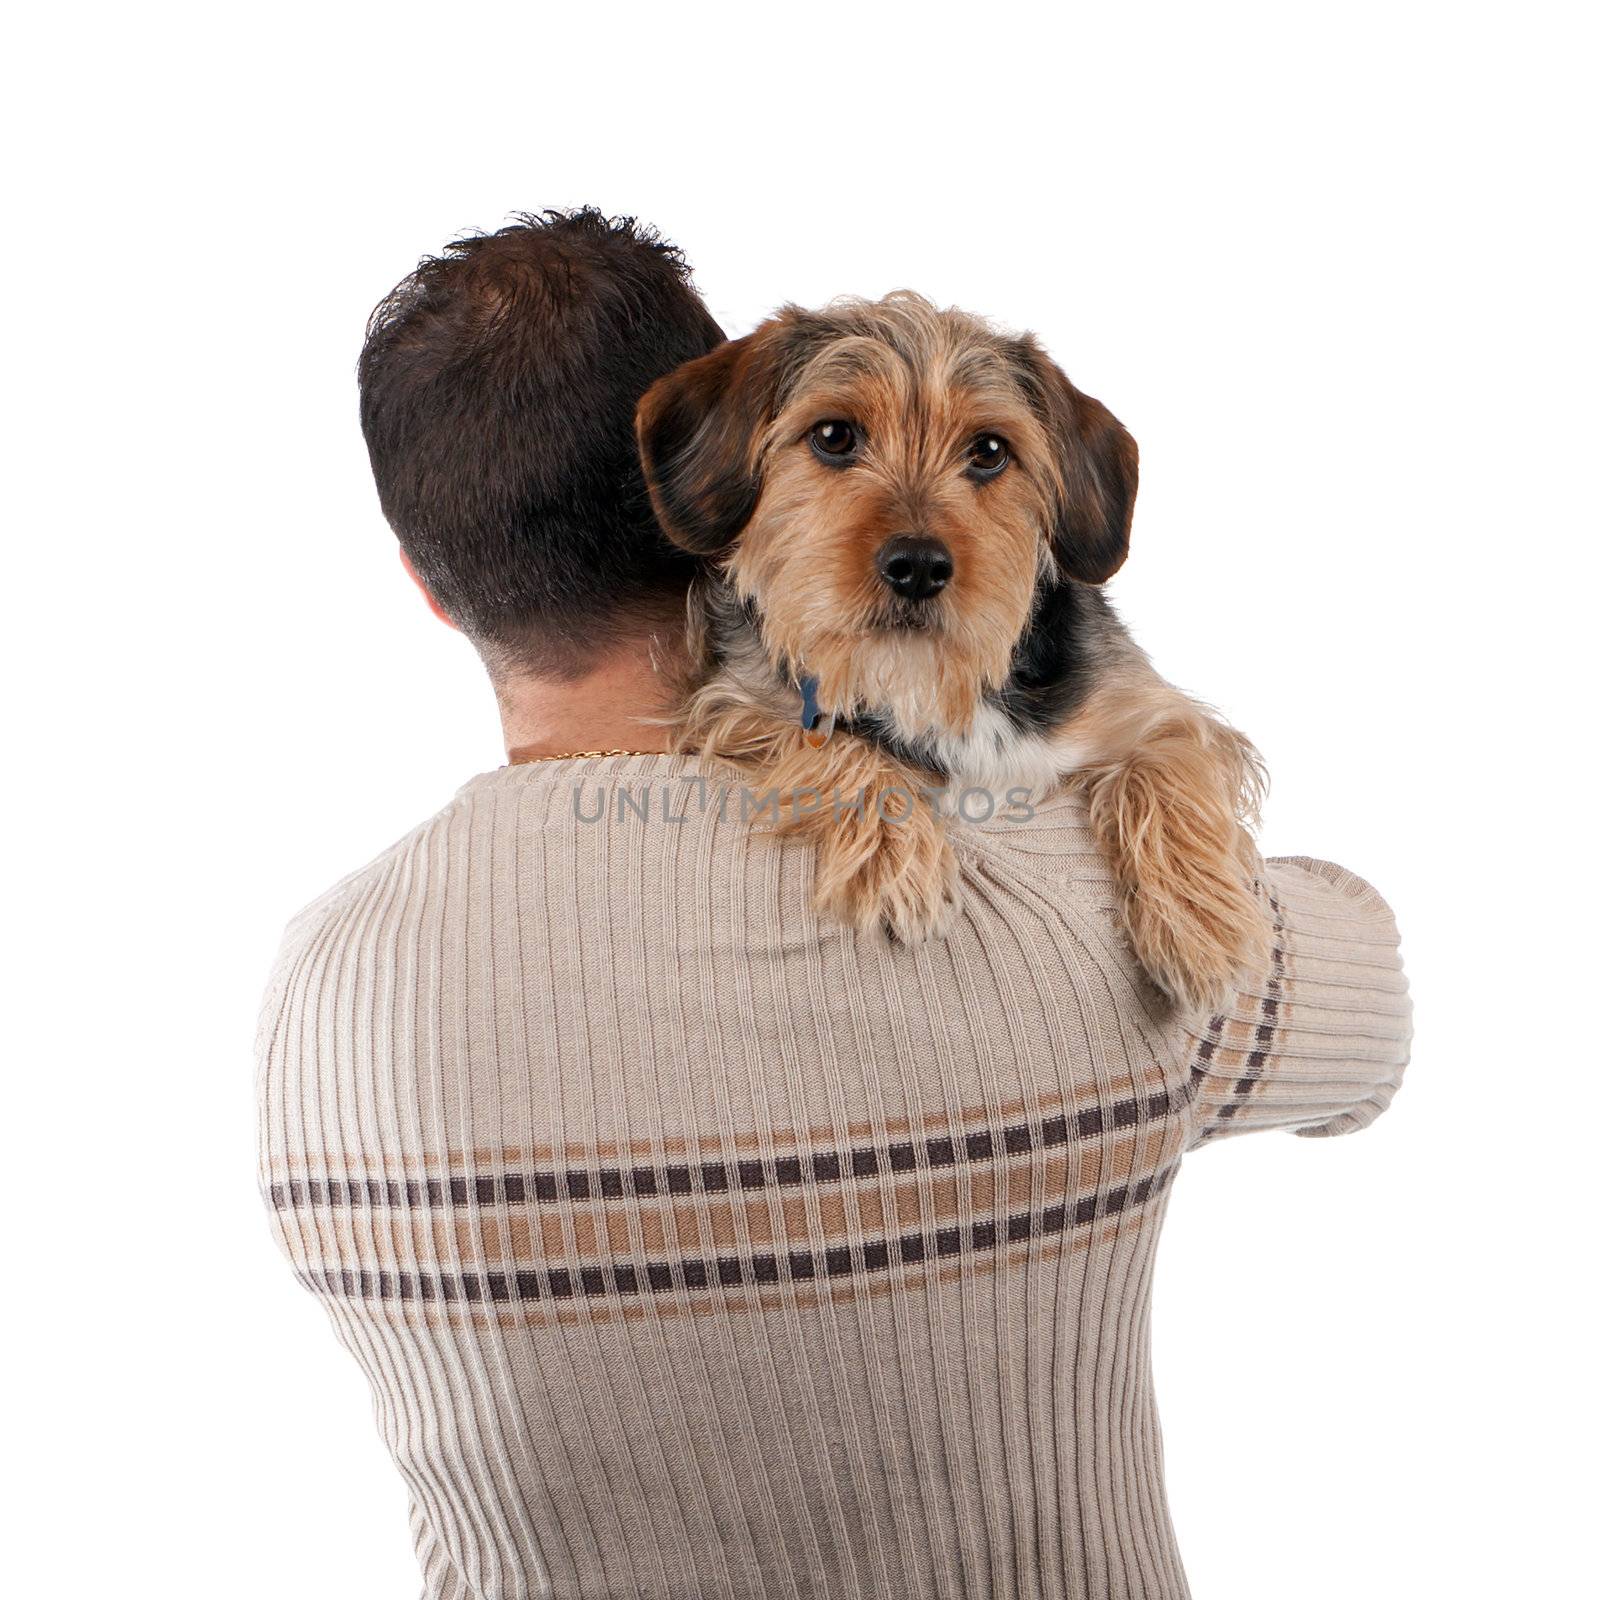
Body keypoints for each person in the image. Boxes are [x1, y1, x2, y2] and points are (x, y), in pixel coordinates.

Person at [257, 208, 1412, 1600]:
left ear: (424, 589)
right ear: (711, 513)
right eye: (840, 444)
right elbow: (1372, 1018)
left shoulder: (317, 999)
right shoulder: (1056, 917)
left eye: (983, 461)